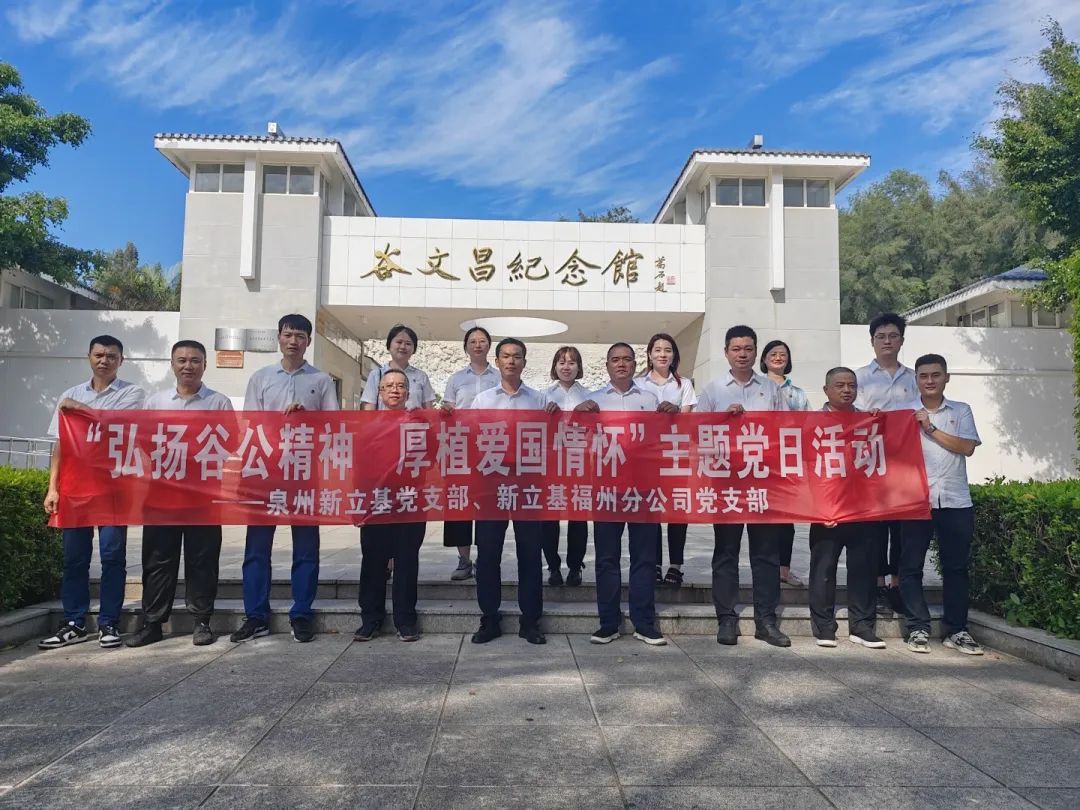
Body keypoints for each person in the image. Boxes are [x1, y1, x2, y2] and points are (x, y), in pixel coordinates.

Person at [231, 314, 339, 644]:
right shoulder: (261, 378)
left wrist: (309, 420)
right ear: (279, 337)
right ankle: (255, 615)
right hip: (265, 471)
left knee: (306, 546)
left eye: (300, 336)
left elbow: (334, 426)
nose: (293, 341)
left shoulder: (321, 380)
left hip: (304, 471)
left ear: (309, 341)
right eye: (288, 334)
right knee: (257, 547)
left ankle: (301, 612)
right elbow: (249, 425)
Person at [39, 335, 146, 650]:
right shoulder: (69, 394)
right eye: (99, 355)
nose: (104, 360)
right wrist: (52, 488)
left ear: (121, 361)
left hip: (114, 488)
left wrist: (79, 409)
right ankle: (74, 622)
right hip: (75, 490)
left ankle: (109, 622)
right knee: (74, 559)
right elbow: (61, 444)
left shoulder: (132, 393)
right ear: (89, 357)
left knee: (112, 556)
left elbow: (116, 424)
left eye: (111, 356)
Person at [125, 340, 234, 648]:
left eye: (195, 360)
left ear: (205, 365)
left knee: (203, 559)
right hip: (162, 494)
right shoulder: (156, 402)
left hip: (203, 495)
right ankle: (153, 623)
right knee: (158, 561)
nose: (189, 366)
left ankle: (202, 621)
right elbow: (144, 442)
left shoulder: (218, 403)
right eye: (182, 360)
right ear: (172, 364)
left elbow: (229, 442)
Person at [697, 325, 789, 647]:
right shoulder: (712, 390)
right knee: (726, 552)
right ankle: (726, 618)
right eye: (736, 349)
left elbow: (785, 429)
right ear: (726, 352)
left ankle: (766, 620)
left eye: (748, 348)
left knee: (766, 554)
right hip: (726, 482)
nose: (742, 354)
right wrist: (722, 419)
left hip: (763, 480)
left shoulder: (771, 389)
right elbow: (697, 433)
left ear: (756, 352)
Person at [468, 337, 559, 645]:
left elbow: (551, 441)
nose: (511, 361)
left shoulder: (539, 400)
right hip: (490, 483)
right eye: (505, 356)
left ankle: (530, 620)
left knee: (530, 553)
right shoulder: (482, 401)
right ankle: (489, 618)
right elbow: (469, 439)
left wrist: (555, 417)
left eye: (516, 356)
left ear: (524, 362)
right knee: (488, 553)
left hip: (528, 483)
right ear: (497, 362)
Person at [576, 343, 667, 646]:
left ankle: (644, 623)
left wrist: (671, 416)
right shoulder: (595, 401)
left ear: (634, 364)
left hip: (643, 489)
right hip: (607, 489)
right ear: (607, 366)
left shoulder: (650, 399)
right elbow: (577, 442)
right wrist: (577, 416)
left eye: (627, 359)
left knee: (644, 557)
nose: (621, 364)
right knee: (606, 558)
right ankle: (608, 623)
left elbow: (660, 440)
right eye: (615, 360)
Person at [899, 354, 984, 656]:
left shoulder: (961, 410)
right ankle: (917, 627)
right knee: (911, 567)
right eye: (924, 376)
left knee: (956, 567)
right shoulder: (904, 413)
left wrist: (930, 428)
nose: (930, 381)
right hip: (915, 501)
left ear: (946, 377)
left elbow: (967, 447)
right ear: (916, 380)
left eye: (936, 375)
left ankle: (956, 630)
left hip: (955, 500)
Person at [807, 367, 884, 649]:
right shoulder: (811, 423)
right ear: (826, 390)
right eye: (839, 385)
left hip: (862, 508)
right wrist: (817, 507)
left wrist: (880, 422)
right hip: (826, 510)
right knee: (823, 569)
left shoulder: (867, 422)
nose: (846, 390)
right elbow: (803, 469)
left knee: (863, 568)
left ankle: (862, 626)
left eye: (851, 385)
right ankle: (824, 626)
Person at [353, 369, 426, 643]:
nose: (395, 390)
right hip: (376, 503)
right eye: (389, 386)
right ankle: (370, 619)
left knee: (407, 562)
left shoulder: (418, 424)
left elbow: (432, 457)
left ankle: (405, 620)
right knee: (373, 561)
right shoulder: (368, 426)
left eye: (400, 386)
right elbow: (359, 469)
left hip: (410, 501)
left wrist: (428, 423)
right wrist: (358, 504)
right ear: (380, 392)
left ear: (408, 392)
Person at [855, 313, 918, 618]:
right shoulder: (859, 378)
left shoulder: (915, 378)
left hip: (906, 464)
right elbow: (851, 416)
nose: (887, 342)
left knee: (902, 528)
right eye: (881, 337)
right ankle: (879, 586)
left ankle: (897, 585)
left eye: (893, 336)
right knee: (876, 529)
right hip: (872, 463)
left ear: (901, 341)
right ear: (872, 341)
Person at [636, 333, 696, 588]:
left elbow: (688, 420)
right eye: (658, 350)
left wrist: (675, 412)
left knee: (677, 510)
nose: (662, 354)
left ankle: (676, 566)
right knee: (652, 510)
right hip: (647, 457)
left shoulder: (684, 385)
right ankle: (655, 564)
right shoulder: (638, 384)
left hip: (676, 454)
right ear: (649, 354)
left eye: (667, 350)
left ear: (674, 355)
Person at [439, 325, 498, 582]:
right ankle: (464, 559)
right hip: (460, 445)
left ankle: (486, 558)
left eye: (482, 341)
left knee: (487, 503)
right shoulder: (456, 379)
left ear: (489, 346)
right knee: (459, 501)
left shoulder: (499, 377)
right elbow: (448, 408)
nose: (477, 345)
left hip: (491, 446)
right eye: (472, 341)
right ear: (466, 347)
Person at [760, 339, 809, 588]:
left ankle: (784, 569)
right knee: (764, 516)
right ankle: (765, 568)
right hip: (759, 459)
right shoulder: (757, 387)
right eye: (773, 354)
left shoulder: (797, 393)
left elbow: (807, 424)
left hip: (787, 459)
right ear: (764, 359)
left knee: (786, 518)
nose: (778, 358)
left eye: (783, 354)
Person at [542, 345, 591, 587]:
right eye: (561, 362)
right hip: (551, 463)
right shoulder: (543, 396)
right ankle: (552, 566)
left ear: (579, 367)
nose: (566, 367)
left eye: (572, 363)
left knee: (578, 517)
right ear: (555, 367)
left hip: (579, 462)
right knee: (549, 517)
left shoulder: (590, 396)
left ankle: (575, 566)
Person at [361, 324, 436, 411]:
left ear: (414, 349)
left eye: (408, 344)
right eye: (399, 342)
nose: (403, 347)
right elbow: (369, 410)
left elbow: (428, 410)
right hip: (385, 420)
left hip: (413, 420)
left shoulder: (421, 376)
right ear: (389, 345)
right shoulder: (376, 375)